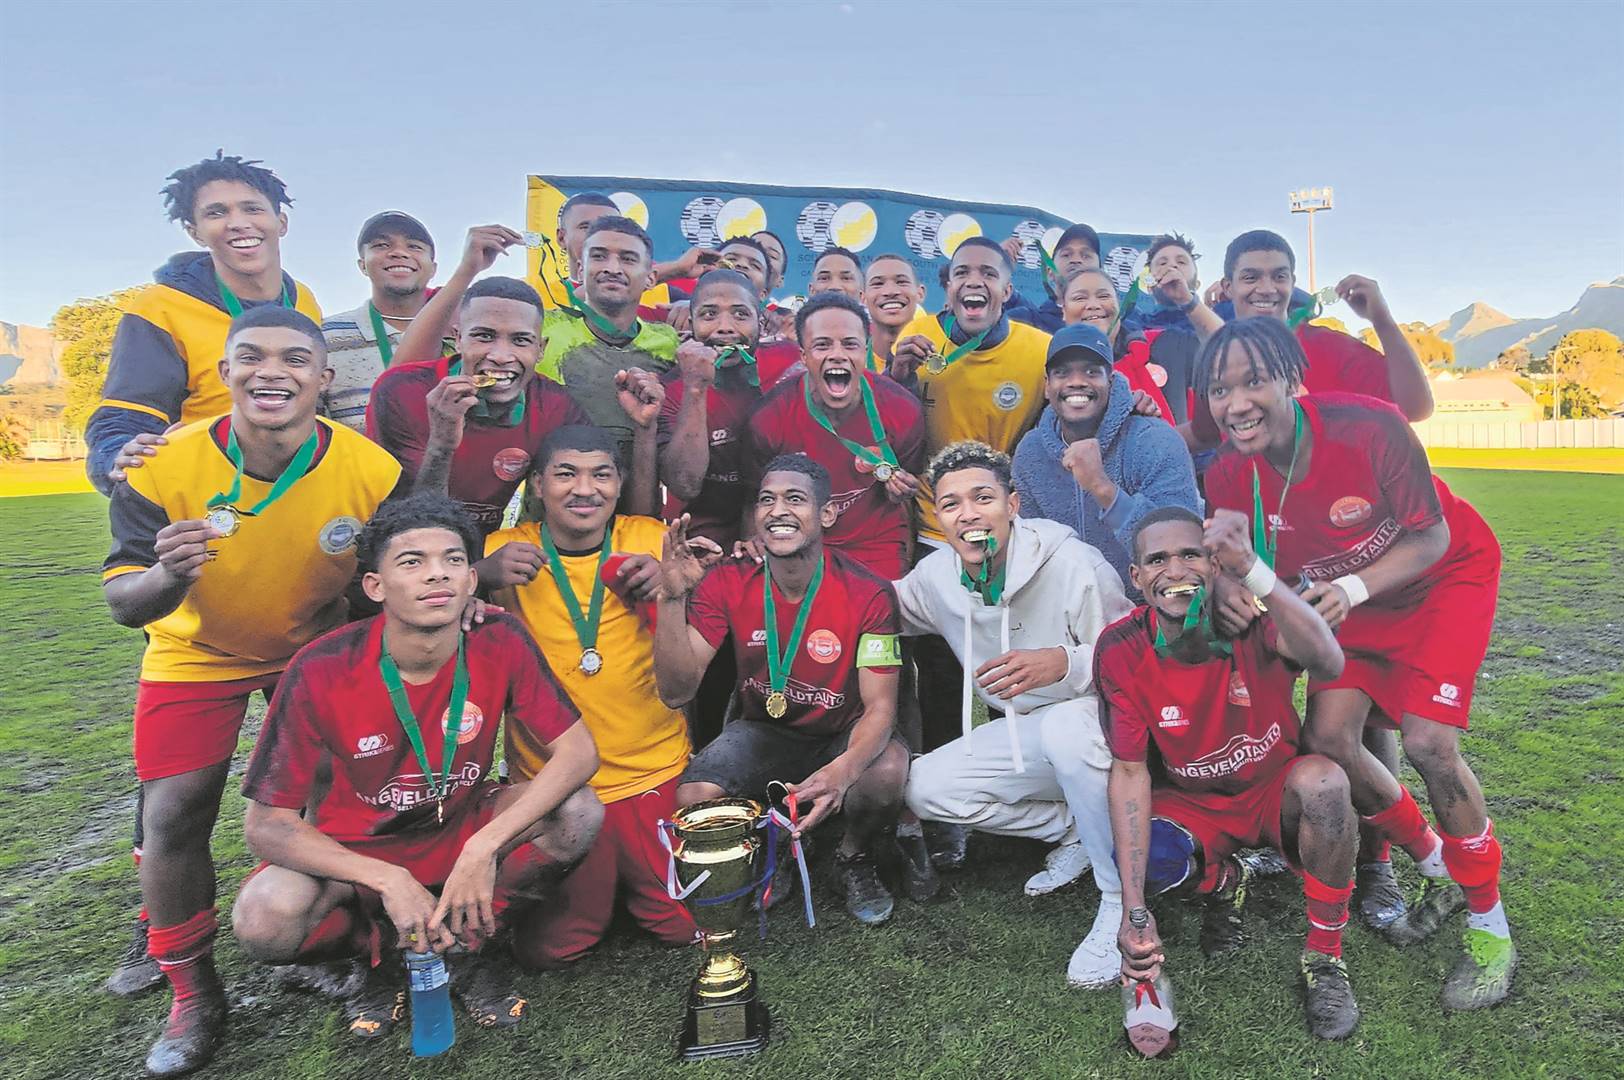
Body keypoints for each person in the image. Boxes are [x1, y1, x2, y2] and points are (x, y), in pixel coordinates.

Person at [100, 306, 402, 1075]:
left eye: (295, 358)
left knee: (343, 794)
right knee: (175, 810)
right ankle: (192, 992)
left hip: (309, 649)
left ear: (323, 378)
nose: (273, 371)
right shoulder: (163, 463)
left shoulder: (369, 470)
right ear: (226, 371)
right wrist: (168, 573)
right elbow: (124, 603)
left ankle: (348, 943)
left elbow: (381, 584)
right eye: (254, 356)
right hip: (195, 653)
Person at [1199, 317, 1514, 1010]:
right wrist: (1224, 586)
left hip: (1441, 578)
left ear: (1291, 379)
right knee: (1330, 740)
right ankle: (1437, 862)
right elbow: (1233, 560)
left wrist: (1351, 588)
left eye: (1254, 381)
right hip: (1349, 598)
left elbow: (1430, 536)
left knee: (1430, 745)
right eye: (1220, 390)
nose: (1237, 403)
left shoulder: (1368, 426)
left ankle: (1491, 931)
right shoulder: (1227, 469)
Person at [232, 494, 603, 1039]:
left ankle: (472, 945)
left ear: (471, 580)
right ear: (375, 586)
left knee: (578, 813)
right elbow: (266, 826)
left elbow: (579, 753)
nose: (437, 574)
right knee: (265, 918)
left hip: (460, 828)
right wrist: (386, 878)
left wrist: (483, 847)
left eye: (453, 560)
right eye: (412, 562)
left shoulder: (498, 638)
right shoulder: (320, 667)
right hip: (355, 852)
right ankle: (377, 955)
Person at [1097, 505, 1361, 1039]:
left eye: (1191, 555)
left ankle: (1325, 957)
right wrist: (1133, 909)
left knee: (1326, 784)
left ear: (1215, 565)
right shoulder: (1120, 648)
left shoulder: (1254, 616)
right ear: (1137, 577)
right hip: (1194, 801)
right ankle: (1226, 880)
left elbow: (1329, 662)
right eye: (1158, 560)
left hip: (1272, 789)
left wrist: (1257, 578)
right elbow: (1129, 772)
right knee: (1146, 857)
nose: (1175, 571)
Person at [900, 442, 1133, 986]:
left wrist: (1064, 662)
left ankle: (1121, 900)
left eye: (983, 498)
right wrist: (780, 570)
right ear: (939, 518)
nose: (968, 514)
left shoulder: (1074, 564)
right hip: (1026, 735)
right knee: (924, 787)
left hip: (1102, 730)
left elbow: (1133, 659)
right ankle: (1076, 827)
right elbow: (870, 605)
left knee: (1066, 727)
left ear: (1012, 504)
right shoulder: (936, 577)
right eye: (951, 504)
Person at [651, 455, 912, 925]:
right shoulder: (728, 580)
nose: (778, 511)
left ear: (826, 514)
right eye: (766, 500)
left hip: (842, 730)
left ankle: (851, 855)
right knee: (695, 796)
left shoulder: (868, 592)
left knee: (887, 769)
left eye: (795, 499)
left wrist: (843, 772)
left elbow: (880, 708)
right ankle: (775, 849)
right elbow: (675, 692)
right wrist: (671, 598)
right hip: (765, 730)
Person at [475, 426, 698, 967]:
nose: (584, 489)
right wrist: (477, 576)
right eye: (565, 474)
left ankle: (635, 882)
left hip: (652, 772)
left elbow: (684, 675)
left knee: (682, 926)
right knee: (552, 947)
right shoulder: (504, 550)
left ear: (619, 483)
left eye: (601, 474)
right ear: (537, 485)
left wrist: (669, 590)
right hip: (559, 785)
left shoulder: (649, 539)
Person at [87, 152, 322, 495]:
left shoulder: (304, 300)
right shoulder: (161, 307)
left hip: (301, 487)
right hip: (208, 497)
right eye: (216, 213)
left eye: (252, 208)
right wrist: (115, 454)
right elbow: (125, 418)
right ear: (195, 232)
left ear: (281, 222)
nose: (238, 222)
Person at [367, 269, 609, 534]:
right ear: (458, 339)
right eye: (484, 336)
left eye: (520, 340)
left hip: (489, 547)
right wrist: (441, 446)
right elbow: (408, 526)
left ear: (540, 349)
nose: (501, 356)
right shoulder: (401, 391)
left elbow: (586, 497)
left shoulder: (556, 405)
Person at [1184, 229, 1433, 450]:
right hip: (1255, 490)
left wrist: (1382, 321)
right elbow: (1203, 434)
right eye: (1251, 278)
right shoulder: (1218, 356)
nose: (1267, 289)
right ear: (1228, 287)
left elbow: (1416, 408)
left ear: (1292, 283)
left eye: (1279, 277)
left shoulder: (1331, 348)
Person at [747, 291, 925, 581]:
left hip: (875, 545)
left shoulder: (903, 409)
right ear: (803, 356)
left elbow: (908, 496)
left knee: (886, 605)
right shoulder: (769, 417)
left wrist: (900, 489)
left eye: (850, 344)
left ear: (865, 351)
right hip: (798, 542)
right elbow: (752, 498)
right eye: (822, 345)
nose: (838, 355)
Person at [888, 236, 1053, 549]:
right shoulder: (918, 335)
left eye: (988, 274)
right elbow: (889, 428)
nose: (974, 281)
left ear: (1007, 291)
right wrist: (897, 379)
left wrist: (1136, 404)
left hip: (1004, 528)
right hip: (933, 528)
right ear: (949, 287)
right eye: (962, 273)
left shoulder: (1042, 349)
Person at [1012, 324, 1200, 592]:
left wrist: (1103, 488)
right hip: (1068, 608)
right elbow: (1031, 548)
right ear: (1047, 386)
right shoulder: (1030, 453)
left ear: (1111, 381)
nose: (1076, 381)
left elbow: (1182, 546)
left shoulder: (1154, 439)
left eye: (1091, 372)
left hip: (1149, 607)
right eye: (1062, 372)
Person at [659, 269, 771, 552]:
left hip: (768, 534)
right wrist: (695, 388)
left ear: (761, 323)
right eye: (709, 315)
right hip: (694, 540)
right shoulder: (672, 388)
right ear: (691, 324)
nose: (725, 328)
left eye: (740, 315)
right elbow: (684, 485)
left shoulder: (784, 373)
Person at [319, 211, 440, 431]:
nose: (399, 252)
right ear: (362, 265)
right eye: (381, 245)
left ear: (433, 268)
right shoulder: (325, 336)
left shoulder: (463, 334)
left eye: (414, 246)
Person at [1005, 222, 1101, 334]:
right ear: (1049, 272)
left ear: (1101, 273)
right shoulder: (1025, 321)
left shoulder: (1114, 325)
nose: (1076, 260)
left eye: (1086, 256)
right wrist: (997, 263)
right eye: (1066, 255)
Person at [862, 253, 927, 372]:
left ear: (920, 293)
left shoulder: (938, 358)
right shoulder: (853, 362)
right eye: (878, 284)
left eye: (901, 282)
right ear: (863, 298)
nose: (890, 292)